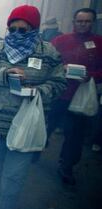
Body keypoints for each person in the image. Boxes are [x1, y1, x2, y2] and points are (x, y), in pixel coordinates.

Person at [0, 5, 66, 209]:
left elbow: (59, 82)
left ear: (34, 28)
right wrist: (4, 73)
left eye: (22, 30)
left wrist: (38, 92)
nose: (16, 34)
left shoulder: (48, 52)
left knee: (13, 177)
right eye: (12, 29)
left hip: (27, 127)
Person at [51, 8, 102, 185]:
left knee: (75, 136)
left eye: (87, 21)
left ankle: (66, 167)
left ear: (93, 23)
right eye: (80, 21)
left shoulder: (99, 43)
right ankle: (33, 151)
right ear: (74, 22)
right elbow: (48, 62)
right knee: (47, 125)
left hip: (80, 98)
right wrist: (61, 68)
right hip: (58, 94)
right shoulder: (60, 40)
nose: (83, 24)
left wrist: (91, 75)